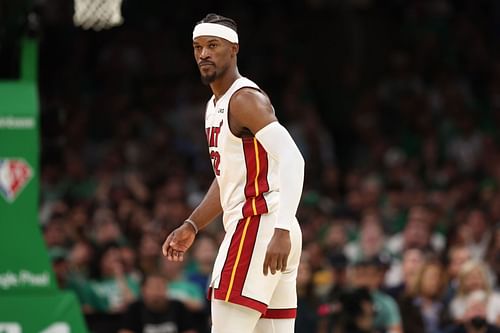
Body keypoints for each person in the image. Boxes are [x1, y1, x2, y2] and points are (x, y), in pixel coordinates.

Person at [161, 13, 305, 333]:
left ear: (234, 49)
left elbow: (293, 159)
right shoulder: (215, 105)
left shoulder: (244, 99)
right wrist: (193, 224)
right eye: (198, 47)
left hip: (259, 224)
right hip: (272, 228)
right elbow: (227, 175)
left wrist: (279, 229)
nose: (204, 54)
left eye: (213, 45)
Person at [119, 273, 197, 333]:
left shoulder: (178, 306)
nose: (156, 292)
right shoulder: (135, 308)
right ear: (143, 290)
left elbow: (189, 331)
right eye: (152, 288)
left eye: (160, 287)